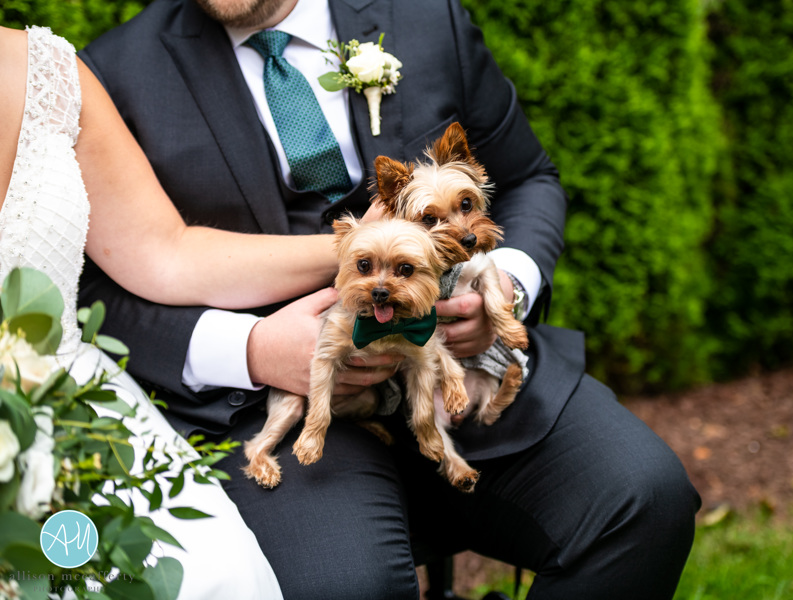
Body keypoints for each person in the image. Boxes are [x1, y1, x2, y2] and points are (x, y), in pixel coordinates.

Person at [79, 0, 702, 598]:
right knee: (344, 587)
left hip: (464, 374)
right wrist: (248, 349)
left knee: (643, 502)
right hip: (285, 407)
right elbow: (90, 283)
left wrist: (504, 286)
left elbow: (526, 176)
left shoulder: (426, 14)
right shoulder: (114, 73)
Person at [1, 22, 367, 599]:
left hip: (72, 415)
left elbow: (166, 253)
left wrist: (369, 250)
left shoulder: (48, 70)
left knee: (202, 577)